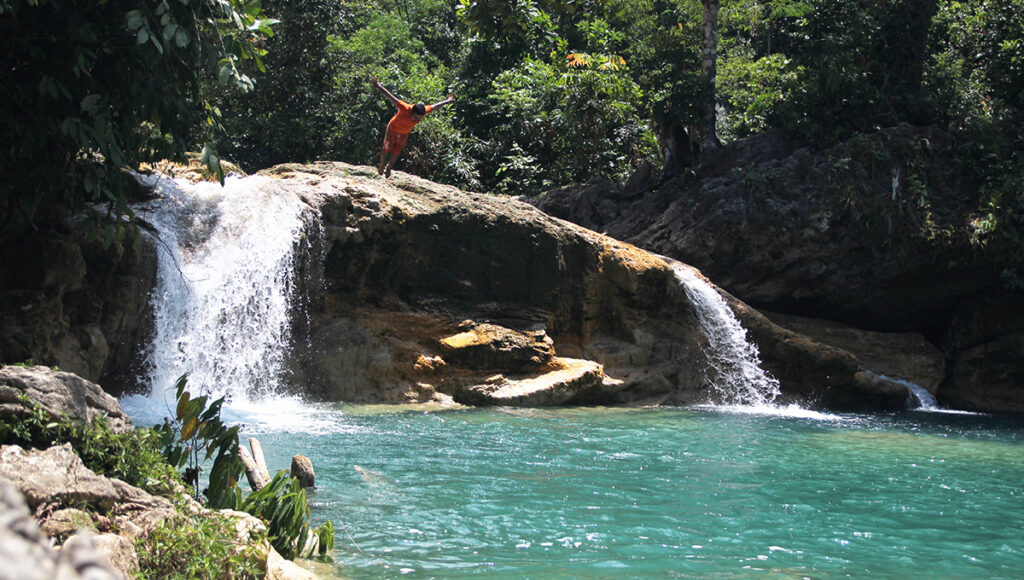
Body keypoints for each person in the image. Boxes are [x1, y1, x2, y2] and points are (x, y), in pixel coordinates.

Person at [373, 79, 455, 178]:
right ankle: (381, 164)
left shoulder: (423, 111)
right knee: (386, 148)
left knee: (396, 151)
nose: (416, 120)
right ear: (412, 111)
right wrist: (378, 86)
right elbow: (391, 97)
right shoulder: (405, 108)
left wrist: (448, 101)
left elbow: (436, 106)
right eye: (415, 117)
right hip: (392, 129)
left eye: (419, 118)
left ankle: (389, 167)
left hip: (404, 133)